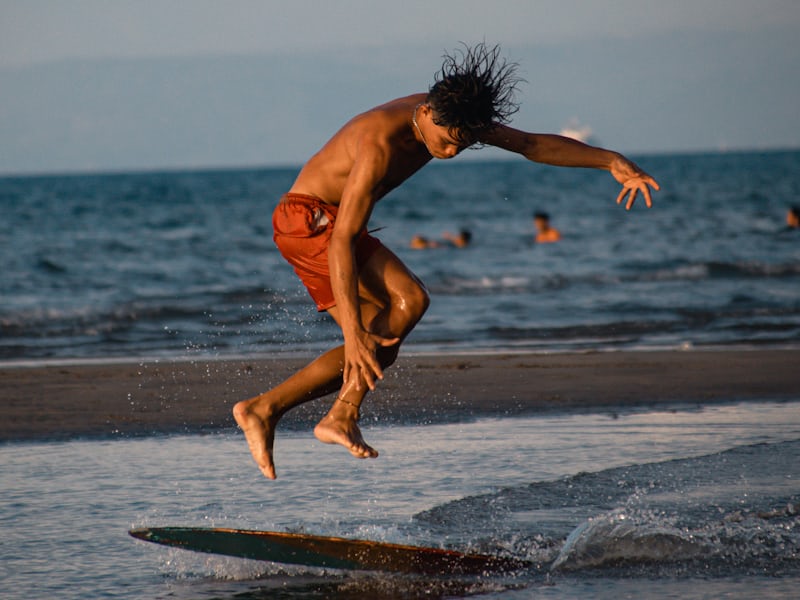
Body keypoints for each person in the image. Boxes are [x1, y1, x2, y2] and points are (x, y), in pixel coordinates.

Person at [233, 43, 659, 479]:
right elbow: (341, 239)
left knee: (383, 344)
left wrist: (612, 161)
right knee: (406, 304)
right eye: (450, 142)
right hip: (312, 220)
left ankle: (270, 410)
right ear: (430, 114)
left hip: (329, 224)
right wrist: (356, 331)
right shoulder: (380, 142)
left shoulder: (457, 116)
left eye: (464, 145)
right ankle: (327, 414)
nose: (452, 153)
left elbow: (530, 144)